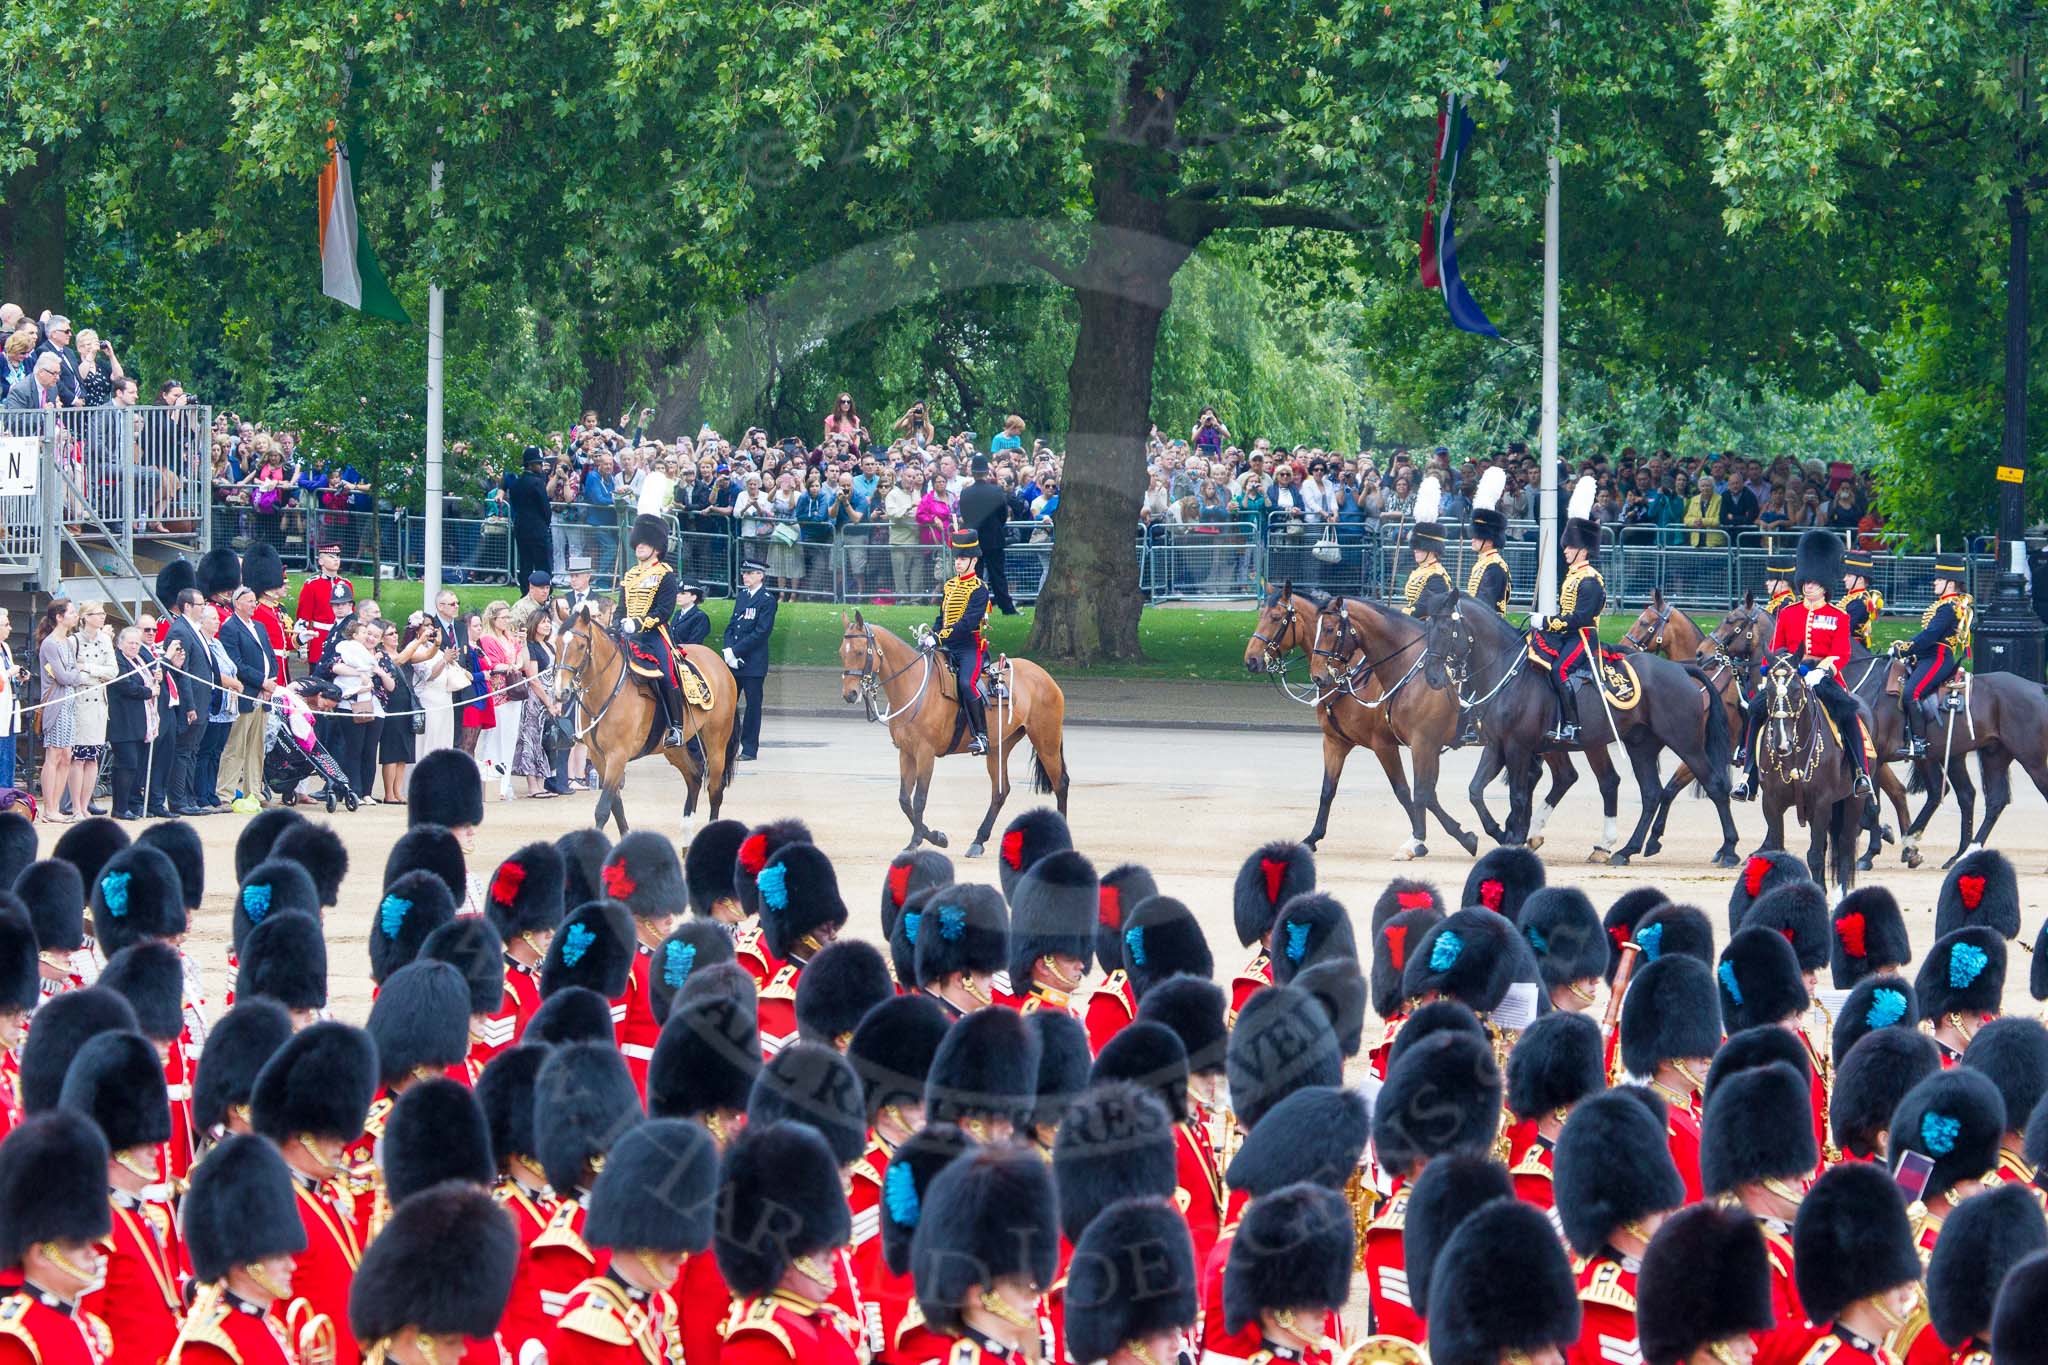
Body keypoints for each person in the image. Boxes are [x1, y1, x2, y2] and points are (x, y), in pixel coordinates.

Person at [1738, 530, 1873, 799]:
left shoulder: (1838, 615)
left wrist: (1822, 670)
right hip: (1788, 676)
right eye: (1806, 581)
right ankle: (1748, 776)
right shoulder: (1789, 613)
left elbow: (1842, 653)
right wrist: (1768, 671)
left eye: (1814, 582)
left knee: (1848, 714)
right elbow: (1776, 647)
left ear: (1824, 584)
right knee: (1756, 710)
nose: (1808, 586)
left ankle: (1860, 773)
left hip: (1823, 675)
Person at [0, 1112, 119, 1362]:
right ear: (40, 1253)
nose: (91, 1251)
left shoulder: (91, 1328)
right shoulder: (15, 1337)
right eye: (76, 1242)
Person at [617, 513, 687, 752]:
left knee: (667, 675)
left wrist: (638, 624)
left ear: (657, 547)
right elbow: (620, 608)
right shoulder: (629, 576)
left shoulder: (666, 574)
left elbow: (664, 611)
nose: (640, 546)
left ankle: (676, 726)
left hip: (654, 635)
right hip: (628, 635)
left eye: (645, 542)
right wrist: (618, 624)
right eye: (638, 542)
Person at [1894, 552, 1974, 759]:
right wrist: (1905, 647)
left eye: (1939, 578)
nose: (1934, 582)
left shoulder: (1950, 607)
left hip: (1938, 658)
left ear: (1951, 582)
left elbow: (1930, 636)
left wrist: (1905, 648)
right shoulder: (1944, 604)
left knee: (1911, 692)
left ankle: (1919, 742)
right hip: (1928, 656)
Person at [217, 585, 279, 810]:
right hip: (247, 694)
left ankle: (254, 791)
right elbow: (237, 664)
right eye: (250, 601)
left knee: (256, 747)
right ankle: (225, 793)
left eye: (255, 601)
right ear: (238, 603)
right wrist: (261, 682)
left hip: (263, 694)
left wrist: (271, 681)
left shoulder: (260, 627)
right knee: (236, 746)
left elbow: (270, 656)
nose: (254, 604)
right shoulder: (230, 628)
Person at [931, 528, 991, 755]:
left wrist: (940, 636)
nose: (957, 563)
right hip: (947, 646)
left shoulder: (979, 589)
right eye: (956, 558)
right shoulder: (949, 586)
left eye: (963, 558)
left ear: (974, 560)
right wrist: (931, 635)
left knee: (966, 683)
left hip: (969, 648)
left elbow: (967, 624)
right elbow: (942, 618)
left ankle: (981, 735)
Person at [722, 558, 777, 761]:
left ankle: (749, 748)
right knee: (727, 705)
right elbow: (732, 625)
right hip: (734, 661)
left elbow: (761, 632)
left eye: (749, 573)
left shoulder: (766, 599)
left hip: (753, 663)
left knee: (753, 707)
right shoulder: (743, 596)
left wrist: (736, 651)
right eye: (744, 573)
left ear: (760, 575)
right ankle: (727, 744)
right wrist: (728, 650)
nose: (745, 576)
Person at [106, 626, 161, 820]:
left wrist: (155, 681)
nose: (134, 646)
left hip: (140, 722)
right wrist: (149, 691)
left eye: (137, 643)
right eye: (130, 642)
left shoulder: (139, 660)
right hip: (123, 721)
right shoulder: (117, 660)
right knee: (126, 763)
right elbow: (124, 685)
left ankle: (132, 803)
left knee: (137, 765)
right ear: (120, 643)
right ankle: (119, 807)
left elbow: (147, 681)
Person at [67, 603, 116, 818]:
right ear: (86, 617)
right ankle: (75, 806)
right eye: (98, 614)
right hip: (81, 704)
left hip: (99, 705)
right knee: (78, 757)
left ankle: (85, 805)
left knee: (93, 757)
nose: (102, 617)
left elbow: (113, 671)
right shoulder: (73, 641)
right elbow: (71, 674)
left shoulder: (105, 640)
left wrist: (88, 668)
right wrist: (94, 675)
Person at [956, 454, 1016, 615]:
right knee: (998, 575)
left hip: (974, 540)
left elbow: (965, 515)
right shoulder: (996, 491)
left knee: (975, 575)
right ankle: (1007, 608)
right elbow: (1003, 515)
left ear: (973, 472)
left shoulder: (966, 493)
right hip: (994, 539)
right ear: (986, 472)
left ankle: (974, 608)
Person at [512, 612, 561, 798]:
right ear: (535, 625)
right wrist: (548, 703)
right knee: (531, 739)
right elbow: (533, 678)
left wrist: (557, 701)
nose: (547, 625)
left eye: (549, 622)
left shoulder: (550, 645)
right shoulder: (531, 646)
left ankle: (542, 783)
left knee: (546, 740)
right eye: (543, 622)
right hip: (535, 698)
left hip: (551, 695)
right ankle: (533, 785)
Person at [291, 541, 357, 671]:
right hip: (319, 640)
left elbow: (351, 618)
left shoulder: (346, 584)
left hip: (342, 639)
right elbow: (303, 618)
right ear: (321, 561)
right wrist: (302, 647)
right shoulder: (312, 584)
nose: (336, 560)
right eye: (331, 557)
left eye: (338, 556)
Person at [504, 445, 556, 587]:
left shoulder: (516, 483)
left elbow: (514, 504)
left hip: (521, 527)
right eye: (538, 463)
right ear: (531, 464)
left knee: (525, 563)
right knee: (542, 564)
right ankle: (544, 591)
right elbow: (545, 508)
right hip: (537, 529)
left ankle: (525, 591)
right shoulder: (537, 483)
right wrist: (545, 524)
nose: (540, 466)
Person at [1403, 476, 1453, 615]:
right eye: (1415, 546)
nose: (1415, 550)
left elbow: (1425, 608)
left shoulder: (1436, 576)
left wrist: (1402, 616)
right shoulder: (1421, 571)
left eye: (1420, 547)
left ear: (1431, 549)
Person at [1467, 465, 1512, 612]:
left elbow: (1485, 604)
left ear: (1490, 539)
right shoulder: (1483, 563)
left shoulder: (1494, 567)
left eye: (1478, 536)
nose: (1473, 539)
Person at [1839, 547, 1884, 650]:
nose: (1844, 579)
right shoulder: (1854, 597)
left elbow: (1844, 628)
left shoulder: (1859, 601)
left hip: (1853, 651)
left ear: (1860, 579)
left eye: (1849, 575)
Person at [669, 579, 710, 646]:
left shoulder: (700, 617)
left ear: (693, 597)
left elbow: (695, 642)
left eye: (683, 593)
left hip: (689, 654)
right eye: (677, 593)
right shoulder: (678, 613)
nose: (678, 596)